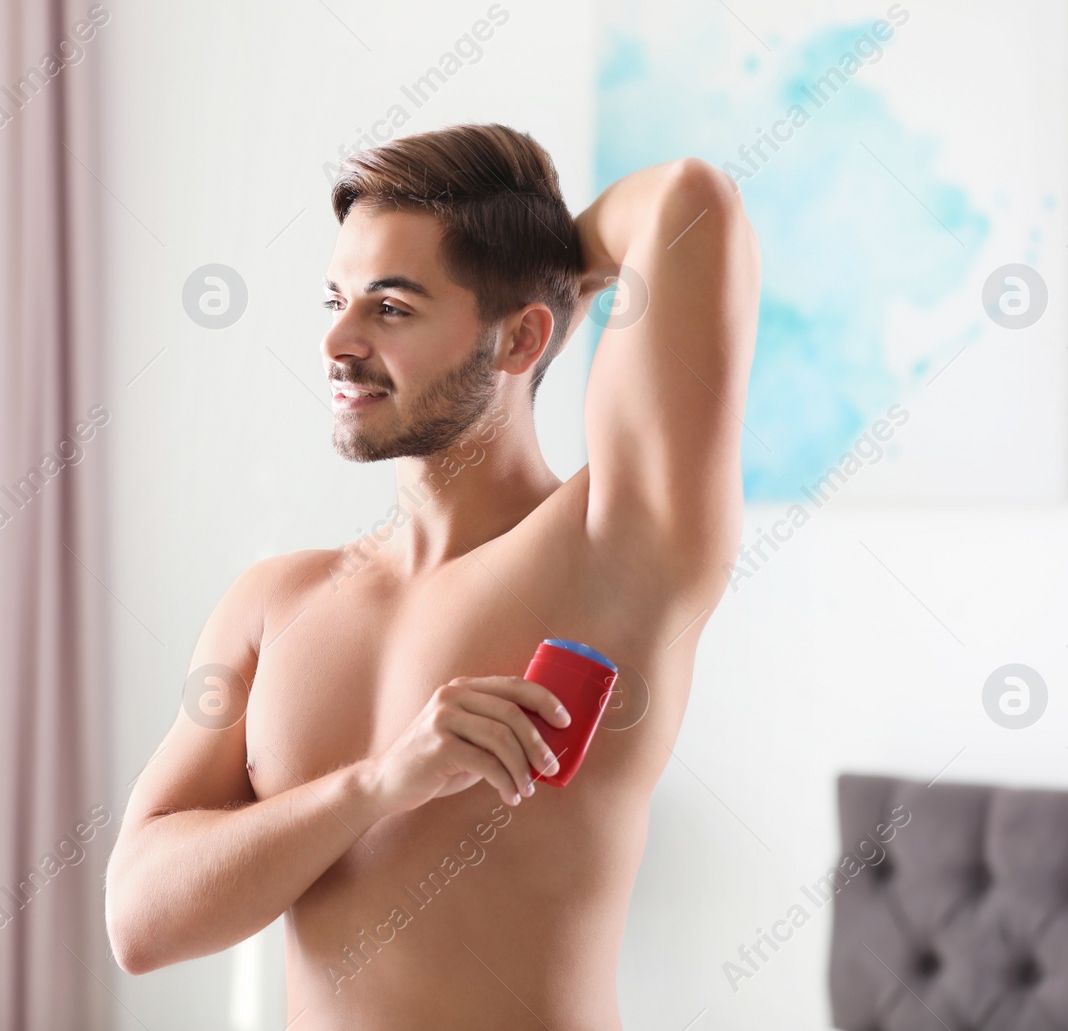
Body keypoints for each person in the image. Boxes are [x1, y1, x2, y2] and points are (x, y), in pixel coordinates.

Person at [105, 122, 761, 1029]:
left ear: (521, 340)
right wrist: (380, 783)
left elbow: (691, 199)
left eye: (391, 306)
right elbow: (139, 922)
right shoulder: (275, 604)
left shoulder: (619, 547)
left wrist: (550, 266)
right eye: (334, 297)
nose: (338, 338)